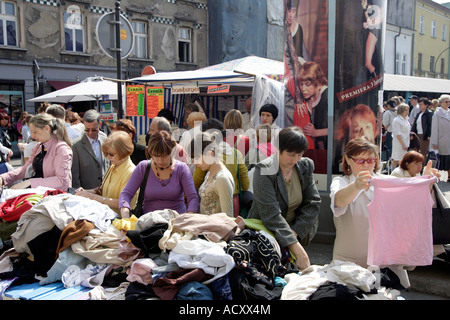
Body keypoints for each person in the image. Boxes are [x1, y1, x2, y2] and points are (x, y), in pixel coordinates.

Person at [330, 137, 413, 287]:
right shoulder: (342, 182)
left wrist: (427, 184)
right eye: (360, 161)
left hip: (382, 264)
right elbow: (339, 201)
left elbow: (410, 203)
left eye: (370, 160)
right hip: (347, 264)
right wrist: (357, 186)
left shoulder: (386, 182)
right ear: (348, 160)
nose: (366, 165)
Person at [247, 126, 321, 271]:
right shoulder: (264, 169)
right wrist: (294, 245)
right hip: (266, 233)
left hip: (294, 232)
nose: (295, 159)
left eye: (299, 154)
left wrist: (295, 233)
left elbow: (313, 203)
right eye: (290, 154)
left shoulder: (305, 165)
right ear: (278, 148)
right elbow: (271, 214)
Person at [119, 130, 199, 219]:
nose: (160, 161)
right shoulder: (143, 167)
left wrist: (189, 217)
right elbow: (126, 194)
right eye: (156, 156)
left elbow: (192, 198)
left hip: (176, 221)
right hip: (148, 223)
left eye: (165, 156)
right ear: (150, 152)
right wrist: (125, 215)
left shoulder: (182, 169)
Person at [193, 119, 251, 215]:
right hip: (234, 201)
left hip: (219, 216)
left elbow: (196, 181)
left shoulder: (208, 160)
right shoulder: (236, 153)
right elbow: (245, 184)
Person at [0, 113, 72, 190]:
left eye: (35, 132)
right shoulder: (39, 147)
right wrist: (3, 178)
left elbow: (62, 181)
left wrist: (30, 182)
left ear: (47, 128)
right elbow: (25, 169)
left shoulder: (62, 149)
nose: (33, 136)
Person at [75, 131, 136, 214]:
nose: (108, 157)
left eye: (111, 154)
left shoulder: (131, 172)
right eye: (106, 154)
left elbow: (124, 203)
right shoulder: (113, 166)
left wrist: (93, 197)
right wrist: (86, 192)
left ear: (123, 152)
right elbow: (102, 189)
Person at [190, 132, 234, 216]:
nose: (195, 163)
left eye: (197, 157)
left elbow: (228, 218)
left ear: (210, 153)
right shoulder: (209, 173)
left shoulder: (222, 179)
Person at [71, 109, 109, 189]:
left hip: (105, 189)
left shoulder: (105, 139)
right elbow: (75, 175)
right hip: (87, 192)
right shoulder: (76, 145)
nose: (90, 133)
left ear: (100, 124)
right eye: (87, 130)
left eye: (94, 130)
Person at [294, 61, 328, 150]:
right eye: (301, 84)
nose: (303, 89)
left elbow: (338, 128)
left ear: (317, 82)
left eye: (307, 84)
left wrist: (316, 132)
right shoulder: (306, 98)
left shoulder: (327, 96)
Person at [430, 94, 450, 181]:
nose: (448, 103)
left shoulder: (449, 112)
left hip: (448, 140)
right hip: (441, 140)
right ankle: (435, 176)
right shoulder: (437, 113)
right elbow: (434, 129)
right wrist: (434, 142)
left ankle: (449, 176)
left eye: (449, 101)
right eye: (446, 101)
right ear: (441, 103)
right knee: (438, 159)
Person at [411, 97, 433, 164]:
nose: (419, 106)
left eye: (421, 104)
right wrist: (412, 133)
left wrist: (429, 135)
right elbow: (415, 125)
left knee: (423, 152)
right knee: (416, 151)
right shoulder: (419, 114)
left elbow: (430, 125)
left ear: (426, 105)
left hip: (424, 135)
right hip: (417, 135)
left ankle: (421, 167)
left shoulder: (429, 113)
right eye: (419, 104)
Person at [391, 103, 411, 168]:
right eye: (406, 110)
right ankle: (392, 173)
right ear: (401, 111)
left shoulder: (406, 120)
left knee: (403, 159)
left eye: (408, 110)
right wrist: (403, 144)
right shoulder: (396, 120)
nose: (407, 112)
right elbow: (397, 134)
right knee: (396, 159)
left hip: (405, 142)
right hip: (399, 143)